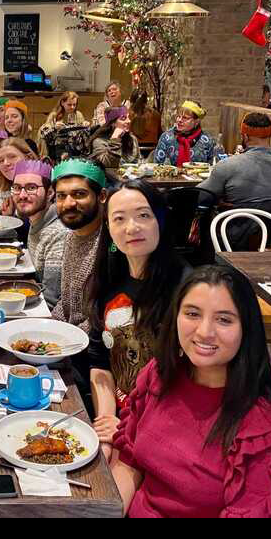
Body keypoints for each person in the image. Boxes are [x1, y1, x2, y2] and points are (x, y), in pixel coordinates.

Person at [109, 264, 271, 517]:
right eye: (192, 314)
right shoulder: (159, 375)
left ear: (246, 329)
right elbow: (128, 464)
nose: (205, 332)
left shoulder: (263, 434)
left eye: (224, 319)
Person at [80, 180, 186, 463]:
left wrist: (130, 427)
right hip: (118, 416)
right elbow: (100, 363)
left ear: (161, 222)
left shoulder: (188, 290)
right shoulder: (108, 284)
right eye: (119, 219)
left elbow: (192, 385)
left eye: (143, 215)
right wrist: (106, 419)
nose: (131, 227)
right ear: (109, 229)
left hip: (168, 429)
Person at [48, 159, 109, 413]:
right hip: (68, 345)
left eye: (79, 194)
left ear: (102, 195)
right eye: (61, 196)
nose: (69, 203)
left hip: (93, 362)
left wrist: (59, 342)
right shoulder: (74, 235)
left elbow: (98, 321)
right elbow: (66, 300)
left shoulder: (111, 245)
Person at [191, 113, 271, 249]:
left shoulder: (228, 166)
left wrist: (217, 200)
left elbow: (198, 196)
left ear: (245, 136)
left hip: (230, 241)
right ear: (269, 135)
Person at [11, 160, 68, 310]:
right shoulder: (37, 220)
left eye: (31, 188)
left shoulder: (57, 233)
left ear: (50, 193)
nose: (22, 195)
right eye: (17, 188)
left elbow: (50, 300)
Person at [152, 100, 215, 165]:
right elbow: (156, 165)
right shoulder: (166, 137)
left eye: (185, 118)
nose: (179, 120)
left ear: (196, 122)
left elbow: (213, 168)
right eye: (178, 116)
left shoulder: (207, 141)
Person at [88, 106, 143, 174]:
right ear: (112, 123)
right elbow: (109, 165)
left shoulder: (132, 139)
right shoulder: (99, 141)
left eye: (128, 117)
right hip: (109, 181)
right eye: (123, 118)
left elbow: (139, 163)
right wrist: (115, 139)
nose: (129, 121)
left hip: (131, 180)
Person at [0, 136, 40, 216]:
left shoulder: (41, 189)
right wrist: (9, 216)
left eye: (12, 157)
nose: (6, 163)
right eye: (1, 160)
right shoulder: (11, 191)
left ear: (29, 157)